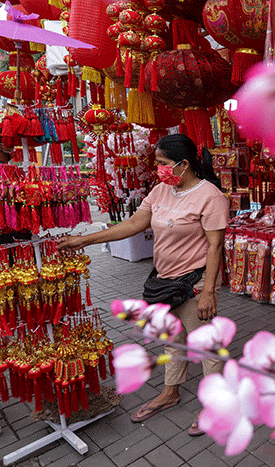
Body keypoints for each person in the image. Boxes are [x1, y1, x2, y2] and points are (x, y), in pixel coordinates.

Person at [57, 134, 229, 436]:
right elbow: (134, 224)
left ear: (183, 164)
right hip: (164, 283)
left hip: (195, 283)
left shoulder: (210, 196)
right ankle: (170, 391)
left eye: (162, 163)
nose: (158, 169)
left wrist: (209, 293)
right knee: (173, 339)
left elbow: (215, 246)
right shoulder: (161, 190)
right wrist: (83, 240)